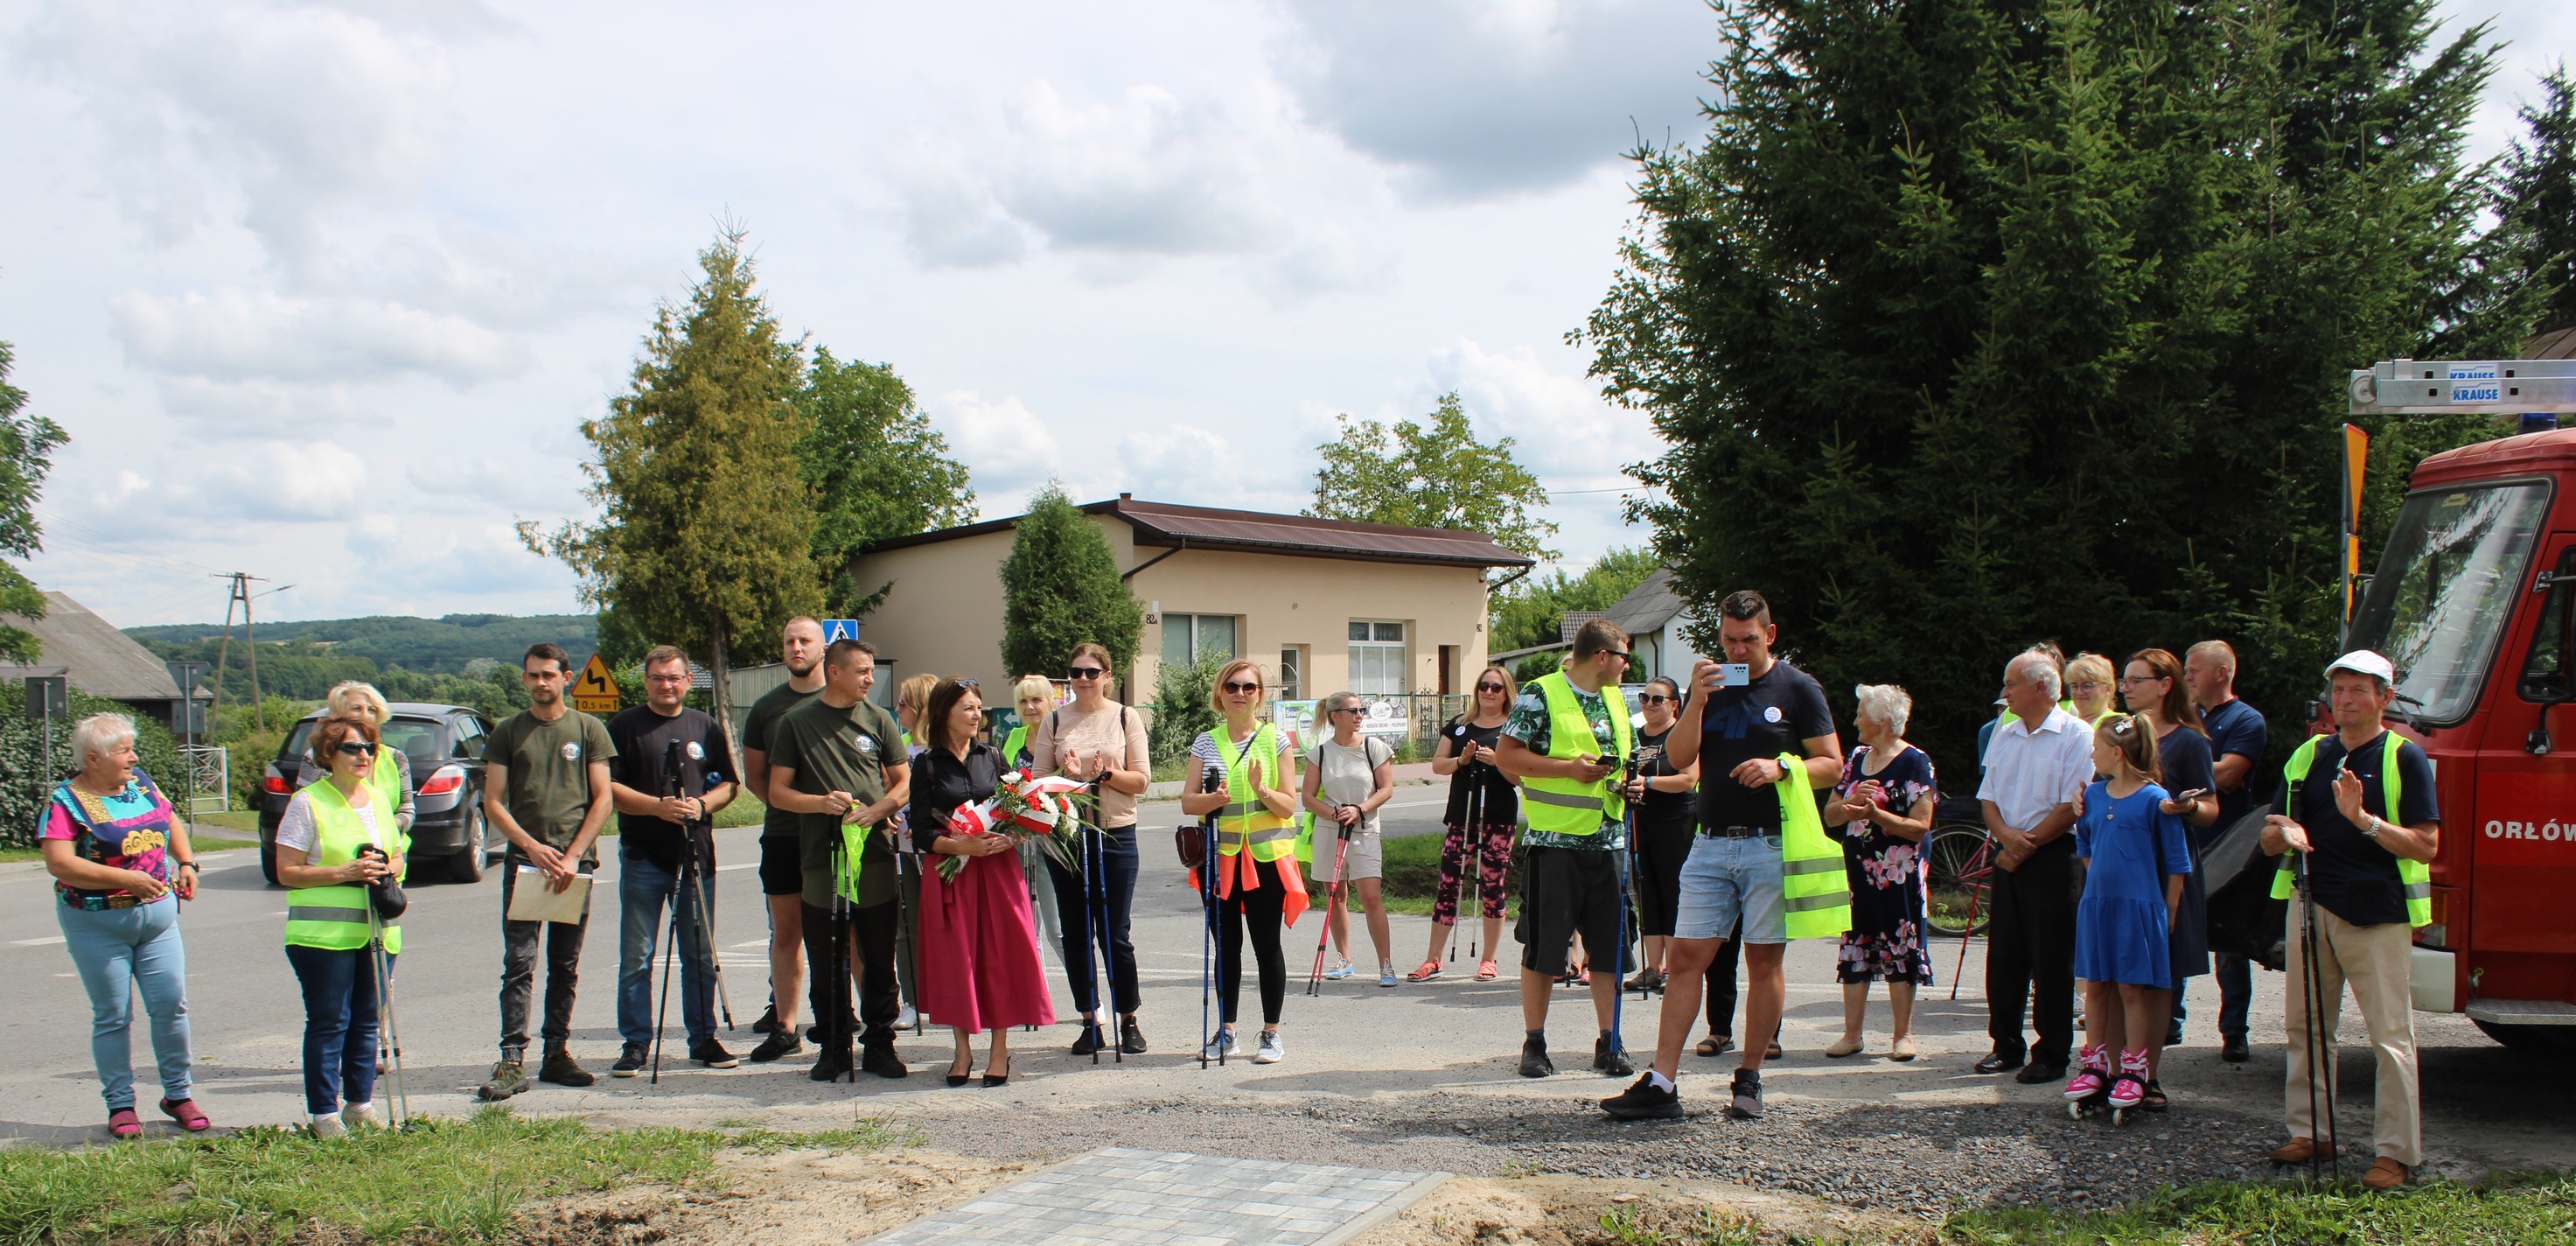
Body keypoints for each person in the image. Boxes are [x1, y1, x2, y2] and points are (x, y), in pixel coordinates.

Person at [1604, 594, 1842, 1122]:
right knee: (1687, 958)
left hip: (1770, 842)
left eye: (1748, 640)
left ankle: (1749, 1077)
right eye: (1729, 640)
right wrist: (1696, 701)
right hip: (1709, 842)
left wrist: (1783, 767)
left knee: (1764, 961)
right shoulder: (1710, 685)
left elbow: (1832, 764)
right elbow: (1680, 757)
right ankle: (1663, 1082)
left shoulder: (1798, 687)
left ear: (1769, 635)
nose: (1737, 650)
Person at [2259, 650, 2439, 1192]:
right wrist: (2283, 833)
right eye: (2338, 690)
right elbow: (2269, 835)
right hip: (2311, 905)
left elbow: (2426, 846)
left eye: (2358, 689)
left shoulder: (2406, 757)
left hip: (2377, 913)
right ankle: (2310, 1131)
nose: (2345, 699)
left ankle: (2396, 1153)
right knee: (2305, 1026)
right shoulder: (2310, 753)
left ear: (2385, 697)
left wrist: (2363, 820)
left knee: (2389, 1036)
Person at [40, 712, 206, 1139]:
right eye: (124, 751)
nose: (134, 758)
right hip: (97, 922)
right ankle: (121, 1104)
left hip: (158, 921)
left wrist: (186, 862)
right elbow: (60, 862)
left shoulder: (142, 785)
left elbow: (170, 819)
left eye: (132, 749)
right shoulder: (65, 802)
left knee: (171, 1005)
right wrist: (125, 878)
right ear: (93, 759)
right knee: (113, 1015)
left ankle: (178, 1095)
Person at [1495, 619, 1644, 1084]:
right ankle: (1534, 1043)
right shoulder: (1541, 693)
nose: (1627, 666)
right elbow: (1506, 757)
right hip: (1555, 845)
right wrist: (1567, 769)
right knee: (1544, 949)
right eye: (1624, 657)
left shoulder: (1616, 699)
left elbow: (1627, 760)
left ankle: (1610, 1041)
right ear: (1602, 656)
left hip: (1610, 843)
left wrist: (1631, 783)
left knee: (1610, 949)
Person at [767, 638, 912, 1082]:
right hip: (821, 856)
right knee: (827, 956)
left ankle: (880, 1044)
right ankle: (833, 1046)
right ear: (834, 672)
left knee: (878, 954)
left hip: (874, 853)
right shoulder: (797, 722)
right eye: (862, 671)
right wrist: (819, 803)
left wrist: (880, 809)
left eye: (871, 670)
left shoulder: (879, 719)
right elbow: (777, 792)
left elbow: (903, 781)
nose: (870, 678)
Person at [478, 642, 617, 1101]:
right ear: (524, 678)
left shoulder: (589, 729)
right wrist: (531, 847)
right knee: (519, 963)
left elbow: (603, 798)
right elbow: (493, 801)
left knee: (564, 963)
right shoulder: (508, 731)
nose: (541, 682)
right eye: (534, 675)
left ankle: (556, 1053)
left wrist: (574, 854)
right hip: (526, 862)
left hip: (574, 865)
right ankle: (511, 1059)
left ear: (565, 678)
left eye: (549, 675)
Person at [911, 677, 1055, 1085]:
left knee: (1000, 957)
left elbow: (1020, 808)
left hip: (997, 870)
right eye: (968, 708)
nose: (977, 715)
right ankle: (961, 1051)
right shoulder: (926, 764)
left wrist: (1013, 836)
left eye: (978, 708)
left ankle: (999, 1050)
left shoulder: (992, 756)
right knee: (956, 960)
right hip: (952, 873)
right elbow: (920, 830)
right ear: (945, 714)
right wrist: (960, 847)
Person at [605, 645, 740, 1075]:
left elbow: (729, 785)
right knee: (637, 957)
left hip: (695, 857)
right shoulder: (624, 726)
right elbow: (607, 789)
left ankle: (703, 1039)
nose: (666, 685)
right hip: (643, 857)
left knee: (698, 956)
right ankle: (635, 1043)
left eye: (674, 677)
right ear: (646, 682)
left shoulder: (705, 725)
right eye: (658, 678)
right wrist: (656, 808)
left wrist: (701, 805)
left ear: (687, 681)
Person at [276, 714, 406, 1136]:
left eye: (370, 748)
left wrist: (387, 868)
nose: (363, 755)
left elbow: (398, 855)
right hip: (322, 937)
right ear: (328, 754)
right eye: (352, 748)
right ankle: (323, 1115)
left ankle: (359, 1105)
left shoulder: (378, 798)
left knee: (367, 1021)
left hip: (377, 931)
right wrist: (344, 872)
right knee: (330, 1021)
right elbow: (286, 871)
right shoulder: (307, 802)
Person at [1973, 647, 2095, 1084]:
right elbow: (1988, 797)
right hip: (2009, 849)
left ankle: (2052, 1053)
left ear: (2042, 687)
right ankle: (2005, 1044)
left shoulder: (2076, 734)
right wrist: (2006, 840)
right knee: (2005, 955)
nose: (2004, 693)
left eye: (2012, 684)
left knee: (2051, 957)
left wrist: (2025, 845)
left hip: (2053, 853)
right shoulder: (2004, 734)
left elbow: (2071, 804)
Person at [2063, 716, 2194, 1115]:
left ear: (2117, 753)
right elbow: (2086, 845)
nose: (2091, 754)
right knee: (2097, 985)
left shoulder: (2155, 798)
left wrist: (2169, 910)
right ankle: (2096, 1063)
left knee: (2132, 988)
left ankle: (2136, 1068)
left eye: (2096, 748)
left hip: (2140, 907)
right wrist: (2101, 885)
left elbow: (2177, 861)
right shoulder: (2093, 795)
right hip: (2098, 906)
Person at [1030, 643, 1153, 1055]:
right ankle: (1089, 1020)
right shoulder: (1054, 720)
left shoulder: (1124, 716)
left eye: (1091, 672)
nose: (1083, 679)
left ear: (1107, 676)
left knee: (1115, 933)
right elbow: (1039, 782)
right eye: (1075, 672)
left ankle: (1128, 1019)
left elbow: (1142, 781)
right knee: (1076, 932)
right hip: (1067, 837)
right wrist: (1067, 777)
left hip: (1115, 833)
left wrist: (1106, 775)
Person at [1183, 657, 1304, 1064]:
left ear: (1259, 695)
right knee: (1227, 947)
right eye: (1232, 686)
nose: (1240, 693)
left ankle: (1271, 1034)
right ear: (1220, 693)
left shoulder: (1276, 740)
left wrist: (1261, 789)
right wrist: (1213, 799)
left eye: (1248, 687)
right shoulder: (1205, 741)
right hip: (1220, 860)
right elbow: (1188, 802)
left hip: (1266, 858)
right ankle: (1227, 1030)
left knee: (1267, 947)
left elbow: (1288, 806)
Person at [1821, 684, 1936, 1061]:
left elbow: (1920, 826)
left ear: (1883, 720)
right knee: (1856, 945)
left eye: (1861, 714)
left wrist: (1876, 814)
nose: (1855, 720)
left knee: (1900, 946)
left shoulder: (1915, 762)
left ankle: (1903, 1035)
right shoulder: (1856, 758)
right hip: (1858, 872)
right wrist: (1853, 802)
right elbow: (1831, 815)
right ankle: (1852, 1035)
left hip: (1898, 873)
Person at [2121, 647, 2216, 1070]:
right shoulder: (2121, 733)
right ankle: (2116, 1065)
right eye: (2123, 680)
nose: (2126, 688)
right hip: (2122, 863)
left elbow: (2211, 809)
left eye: (2135, 680)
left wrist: (2188, 807)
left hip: (2165, 867)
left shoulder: (2190, 741)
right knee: (2118, 973)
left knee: (2159, 973)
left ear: (2164, 686)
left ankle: (2147, 1072)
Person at [738, 616, 826, 1062]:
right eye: (790, 641)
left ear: (823, 647)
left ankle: (847, 1018)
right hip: (784, 834)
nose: (796, 648)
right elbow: (756, 778)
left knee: (845, 933)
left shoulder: (843, 700)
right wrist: (792, 805)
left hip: (835, 836)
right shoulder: (766, 708)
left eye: (805, 640)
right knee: (786, 933)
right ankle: (786, 1026)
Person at [2183, 639, 2265, 1062]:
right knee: (2172, 928)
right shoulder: (2185, 716)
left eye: (2194, 670)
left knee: (2229, 940)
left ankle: (2234, 1031)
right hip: (2182, 839)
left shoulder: (2246, 719)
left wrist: (2178, 768)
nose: (2186, 678)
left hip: (2227, 843)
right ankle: (2170, 1021)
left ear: (2222, 673)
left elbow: (2230, 774)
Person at [1415, 665, 1523, 982]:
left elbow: (1522, 777)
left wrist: (1498, 761)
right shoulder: (1460, 725)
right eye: (1483, 686)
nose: (1488, 692)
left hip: (1498, 818)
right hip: (1462, 817)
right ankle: (1433, 959)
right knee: (1448, 884)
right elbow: (1438, 765)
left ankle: (1488, 959)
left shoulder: (1515, 728)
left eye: (1496, 688)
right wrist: (1461, 761)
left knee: (1492, 886)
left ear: (1506, 693)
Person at [1302, 691, 1399, 985]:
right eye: (1353, 710)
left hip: (1364, 829)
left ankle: (1386, 964)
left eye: (1361, 710)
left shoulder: (1374, 747)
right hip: (1330, 830)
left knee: (1371, 896)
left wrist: (1360, 809)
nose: (1359, 715)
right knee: (1336, 896)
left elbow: (1386, 789)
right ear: (1335, 716)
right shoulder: (1319, 753)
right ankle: (1344, 959)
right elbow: (1308, 797)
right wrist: (1333, 813)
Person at [1620, 676, 1700, 995]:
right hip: (1642, 822)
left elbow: (1689, 779)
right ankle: (1653, 968)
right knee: (1647, 892)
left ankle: (1676, 968)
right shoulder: (1635, 737)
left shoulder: (1681, 736)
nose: (1649, 705)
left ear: (1674, 705)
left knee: (1672, 892)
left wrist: (1648, 782)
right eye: (1644, 698)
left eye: (1657, 699)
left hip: (1676, 822)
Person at [292, 681, 415, 834]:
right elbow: (301, 812)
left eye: (372, 710)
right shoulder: (316, 756)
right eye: (357, 709)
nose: (365, 715)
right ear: (339, 714)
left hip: (390, 846)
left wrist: (387, 828)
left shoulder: (396, 758)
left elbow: (407, 809)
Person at [1003, 674, 1066, 956]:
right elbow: (1002, 781)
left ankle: (1084, 984)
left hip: (1052, 842)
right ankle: (1035, 984)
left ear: (1051, 702)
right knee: (1025, 928)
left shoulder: (1062, 734)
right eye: (1023, 701)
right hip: (1018, 840)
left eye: (1036, 700)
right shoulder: (1013, 737)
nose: (1029, 707)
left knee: (1058, 930)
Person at [890, 672, 939, 1027]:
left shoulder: (944, 747)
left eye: (903, 704)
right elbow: (888, 787)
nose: (898, 710)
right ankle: (912, 999)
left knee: (946, 924)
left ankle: (951, 994)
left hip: (941, 848)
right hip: (903, 848)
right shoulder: (899, 747)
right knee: (906, 925)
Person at [2065, 654, 2120, 726]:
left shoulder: (2117, 724)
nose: (2079, 692)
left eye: (2087, 686)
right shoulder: (2066, 726)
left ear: (2108, 689)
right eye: (2074, 686)